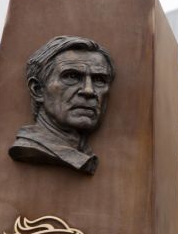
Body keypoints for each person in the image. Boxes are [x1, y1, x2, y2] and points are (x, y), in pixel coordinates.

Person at [8, 36, 115, 175]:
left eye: (99, 80)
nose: (88, 90)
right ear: (38, 89)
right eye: (71, 77)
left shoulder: (82, 151)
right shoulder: (31, 148)